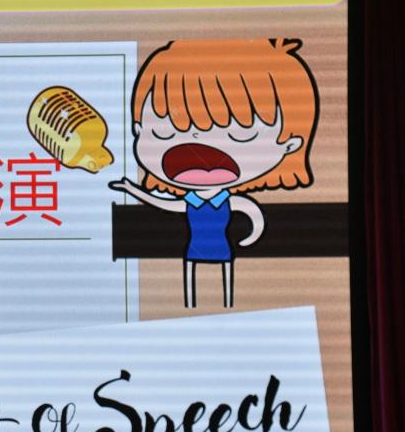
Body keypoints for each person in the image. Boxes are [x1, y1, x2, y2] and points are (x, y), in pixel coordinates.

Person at [110, 38, 318, 307]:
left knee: (226, 280)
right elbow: (162, 203)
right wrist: (132, 189)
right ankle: (191, 305)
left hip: (222, 249)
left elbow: (254, 215)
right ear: (138, 130)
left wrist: (253, 235)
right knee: (190, 277)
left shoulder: (227, 201)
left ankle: (227, 305)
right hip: (194, 250)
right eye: (163, 131)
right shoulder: (192, 201)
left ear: (289, 144)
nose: (195, 139)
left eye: (241, 133)